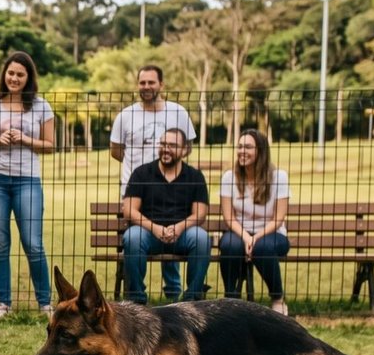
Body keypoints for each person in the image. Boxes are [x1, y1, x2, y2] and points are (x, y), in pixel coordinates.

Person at [0, 51, 55, 318]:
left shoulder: (41, 106)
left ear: (28, 78)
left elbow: (50, 145)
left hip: (27, 180)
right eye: (11, 73)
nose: (14, 78)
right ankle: (4, 303)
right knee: (0, 243)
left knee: (33, 243)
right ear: (4, 75)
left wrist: (24, 139)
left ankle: (45, 302)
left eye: (20, 74)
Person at [111, 64, 197, 299]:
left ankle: (173, 293)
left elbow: (187, 146)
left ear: (161, 84)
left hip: (172, 187)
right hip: (136, 190)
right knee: (137, 238)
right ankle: (136, 297)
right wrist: (143, 173)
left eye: (151, 82)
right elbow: (116, 150)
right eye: (142, 82)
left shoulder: (178, 112)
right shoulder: (125, 115)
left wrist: (167, 169)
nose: (146, 86)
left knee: (171, 231)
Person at [121, 128, 210, 304]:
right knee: (132, 237)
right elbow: (129, 210)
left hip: (182, 234)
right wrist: (155, 228)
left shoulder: (194, 176)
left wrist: (180, 227)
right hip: (148, 233)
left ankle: (192, 299)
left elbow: (199, 214)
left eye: (172, 145)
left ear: (184, 150)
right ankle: (136, 301)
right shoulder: (142, 173)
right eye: (163, 144)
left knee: (201, 238)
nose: (166, 149)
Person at [218, 128, 291, 315]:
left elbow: (278, 218)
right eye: (240, 146)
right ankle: (230, 299)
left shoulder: (279, 177)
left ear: (261, 151)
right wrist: (246, 237)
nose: (242, 151)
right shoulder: (229, 177)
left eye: (248, 147)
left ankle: (277, 298)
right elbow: (229, 217)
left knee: (262, 247)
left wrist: (256, 237)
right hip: (238, 231)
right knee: (229, 245)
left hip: (272, 233)